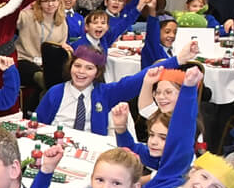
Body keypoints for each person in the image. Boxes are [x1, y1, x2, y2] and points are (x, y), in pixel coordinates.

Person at [133, 77, 234, 188]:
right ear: (192, 171)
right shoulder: (171, 179)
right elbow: (177, 126)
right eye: (204, 176)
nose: (205, 186)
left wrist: (189, 89)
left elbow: (184, 129)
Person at [34, 44, 183, 135]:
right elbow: (37, 125)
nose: (81, 72)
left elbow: (139, 79)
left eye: (89, 68)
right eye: (77, 66)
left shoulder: (106, 93)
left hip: (91, 150)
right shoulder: (55, 92)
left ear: (97, 73)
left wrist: (178, 60)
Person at [15, 0, 68, 96]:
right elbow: (11, 19)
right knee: (43, 79)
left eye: (54, 0)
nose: (50, 4)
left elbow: (60, 46)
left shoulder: (62, 22)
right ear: (39, 3)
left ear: (59, 1)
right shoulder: (27, 16)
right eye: (46, 1)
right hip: (25, 60)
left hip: (47, 64)